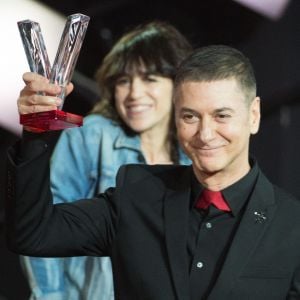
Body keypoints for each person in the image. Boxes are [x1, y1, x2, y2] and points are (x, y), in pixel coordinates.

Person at [6, 45, 300, 299]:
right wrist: (34, 134)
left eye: (221, 115)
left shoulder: (292, 227)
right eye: (190, 116)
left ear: (254, 116)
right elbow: (34, 234)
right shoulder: (136, 194)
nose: (205, 133)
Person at [18, 21, 192, 300]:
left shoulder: (192, 151)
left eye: (150, 79)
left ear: (178, 85)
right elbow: (44, 224)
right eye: (124, 81)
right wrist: (51, 296)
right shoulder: (93, 134)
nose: (134, 93)